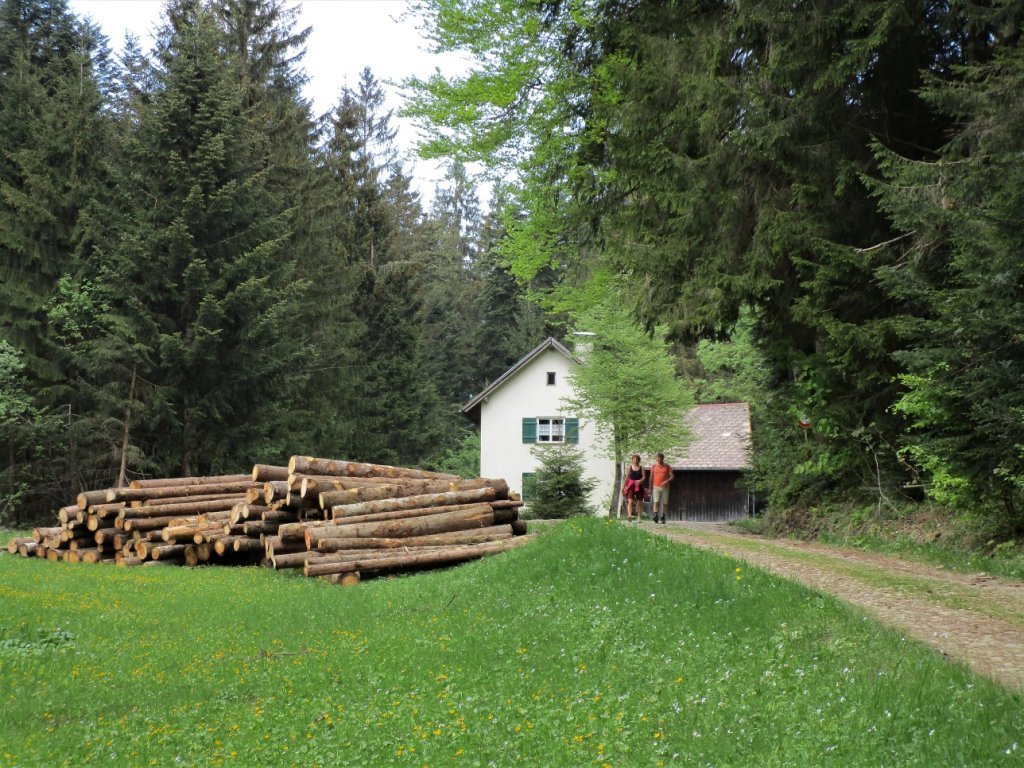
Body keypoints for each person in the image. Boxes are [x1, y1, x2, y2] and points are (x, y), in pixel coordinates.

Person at [649, 452, 675, 524]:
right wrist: (650, 487)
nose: (659, 460)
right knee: (656, 501)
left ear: (663, 458)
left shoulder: (667, 466)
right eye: (658, 459)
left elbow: (672, 476)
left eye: (661, 459)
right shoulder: (653, 466)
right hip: (656, 486)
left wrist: (666, 481)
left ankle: (663, 516)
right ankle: (656, 515)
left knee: (664, 503)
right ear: (656, 459)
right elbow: (651, 477)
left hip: (665, 487)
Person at [621, 454, 648, 521]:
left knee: (639, 502)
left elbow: (644, 477)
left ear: (639, 460)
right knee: (630, 501)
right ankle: (629, 515)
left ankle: (639, 517)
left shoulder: (642, 468)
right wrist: (623, 487)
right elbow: (627, 478)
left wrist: (640, 481)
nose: (635, 461)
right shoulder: (629, 468)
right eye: (634, 459)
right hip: (631, 486)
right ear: (632, 460)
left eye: (637, 459)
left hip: (639, 486)